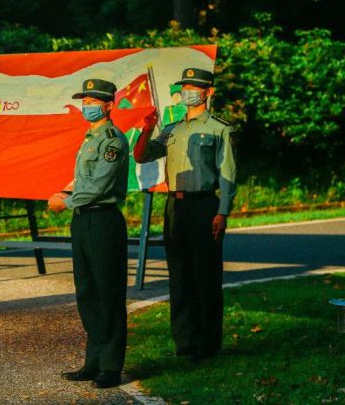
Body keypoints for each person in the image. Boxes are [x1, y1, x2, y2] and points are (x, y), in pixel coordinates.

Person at [133, 67, 236, 362]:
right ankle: (185, 344)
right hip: (174, 207)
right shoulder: (172, 129)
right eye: (184, 86)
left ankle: (208, 346)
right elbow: (142, 155)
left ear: (208, 92)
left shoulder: (220, 129)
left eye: (193, 86)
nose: (187, 91)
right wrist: (146, 128)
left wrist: (223, 212)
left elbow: (228, 174)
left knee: (205, 278)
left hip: (204, 205)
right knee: (179, 278)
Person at [48, 78, 130, 389]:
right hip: (83, 221)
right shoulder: (89, 137)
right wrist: (66, 191)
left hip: (104, 220)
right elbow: (83, 180)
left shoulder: (112, 140)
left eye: (94, 101)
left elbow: (100, 187)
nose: (88, 106)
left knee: (107, 293)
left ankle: (111, 367)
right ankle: (93, 361)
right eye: (85, 101)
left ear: (109, 104)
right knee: (87, 293)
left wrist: (65, 202)